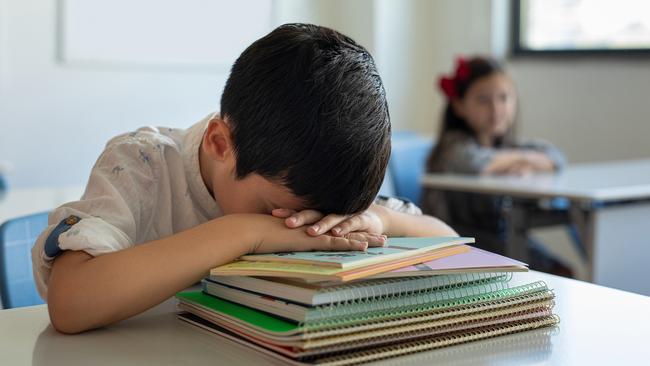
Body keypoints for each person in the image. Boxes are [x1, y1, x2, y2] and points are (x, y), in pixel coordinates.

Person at [32, 23, 456, 334]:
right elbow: (70, 303)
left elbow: (449, 245)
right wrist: (242, 232)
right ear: (220, 143)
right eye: (274, 213)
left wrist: (381, 218)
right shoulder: (143, 164)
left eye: (314, 218)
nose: (296, 227)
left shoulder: (324, 175)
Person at [421, 55, 571, 275]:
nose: (496, 108)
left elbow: (556, 157)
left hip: (502, 237)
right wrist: (525, 159)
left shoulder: (506, 146)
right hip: (463, 243)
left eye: (504, 98)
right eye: (483, 100)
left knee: (563, 271)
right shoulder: (452, 149)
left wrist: (518, 162)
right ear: (459, 106)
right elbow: (477, 163)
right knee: (540, 272)